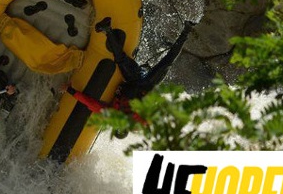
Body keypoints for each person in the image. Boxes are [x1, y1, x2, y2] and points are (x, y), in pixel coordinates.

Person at [65, 21, 195, 126]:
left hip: (133, 79)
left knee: (121, 59)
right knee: (167, 61)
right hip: (148, 83)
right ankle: (186, 30)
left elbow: (92, 103)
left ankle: (108, 30)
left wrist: (71, 91)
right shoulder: (138, 119)